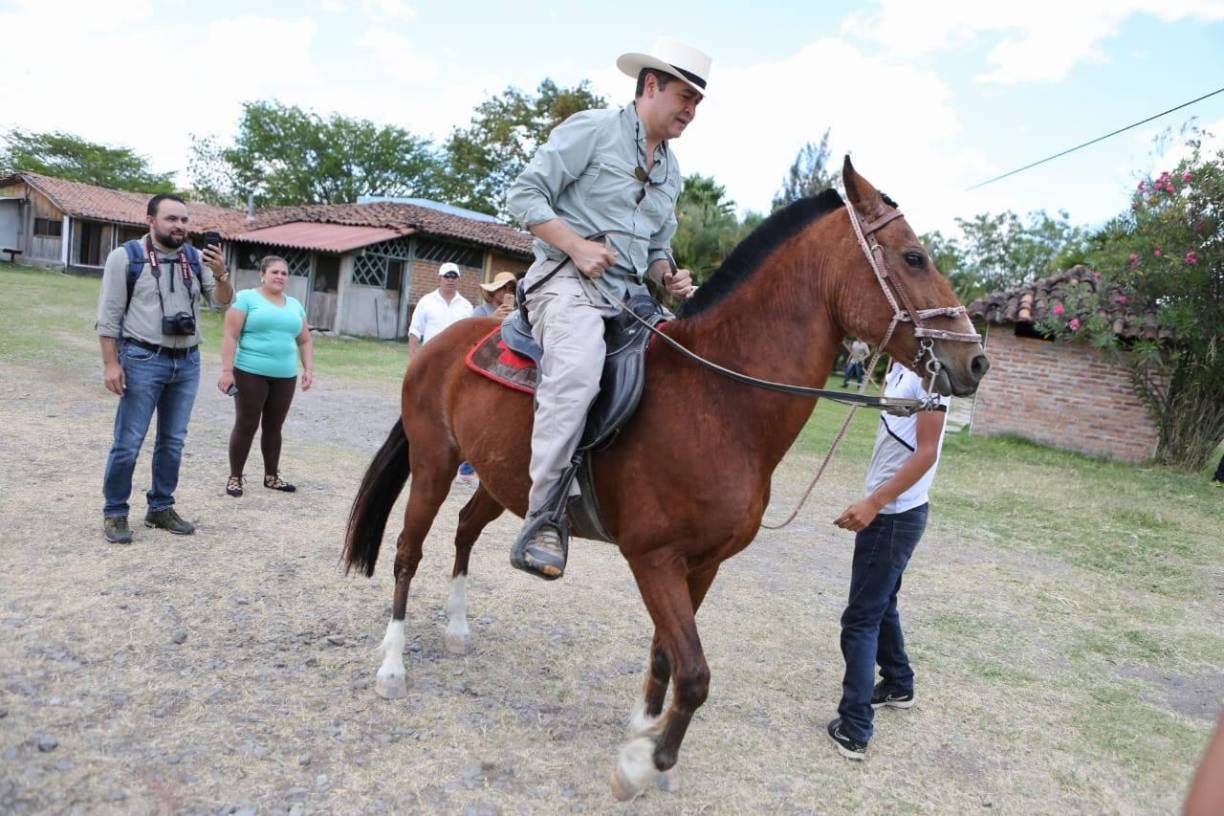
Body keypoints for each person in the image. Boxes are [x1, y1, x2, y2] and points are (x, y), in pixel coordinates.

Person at [503, 36, 707, 580]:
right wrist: (575, 244)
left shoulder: (672, 169)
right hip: (563, 282)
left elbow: (658, 246)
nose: (690, 110)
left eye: (698, 102)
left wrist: (669, 274)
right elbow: (523, 196)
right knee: (577, 371)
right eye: (684, 95)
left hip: (630, 297)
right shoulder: (591, 130)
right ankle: (543, 516)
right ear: (649, 86)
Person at [826, 360, 949, 761]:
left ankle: (855, 728)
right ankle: (898, 683)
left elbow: (927, 452)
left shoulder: (931, 374)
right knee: (883, 603)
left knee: (860, 620)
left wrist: (874, 502)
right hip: (895, 513)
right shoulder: (900, 365)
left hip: (894, 515)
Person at [96, 193, 233, 543]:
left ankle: (160, 506)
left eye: (185, 220)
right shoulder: (125, 258)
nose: (180, 226)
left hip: (187, 361)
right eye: (172, 219)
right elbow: (109, 317)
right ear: (151, 220)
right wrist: (111, 364)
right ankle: (115, 512)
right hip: (142, 358)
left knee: (173, 442)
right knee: (128, 441)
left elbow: (222, 303)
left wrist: (220, 274)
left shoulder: (193, 257)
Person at [217, 256, 314, 497]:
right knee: (247, 424)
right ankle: (235, 478)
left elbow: (305, 339)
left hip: (285, 376)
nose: (280, 276)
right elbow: (230, 336)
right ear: (262, 274)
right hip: (250, 372)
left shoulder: (294, 305)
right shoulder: (245, 298)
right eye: (275, 272)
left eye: (284, 273)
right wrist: (227, 371)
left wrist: (308, 369)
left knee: (274, 426)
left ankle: (272, 476)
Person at [406, 262, 473, 355]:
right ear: (439, 279)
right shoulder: (426, 301)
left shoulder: (466, 306)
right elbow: (415, 331)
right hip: (430, 357)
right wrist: (412, 358)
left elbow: (470, 336)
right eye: (447, 276)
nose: (450, 279)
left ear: (459, 280)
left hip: (455, 359)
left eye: (454, 276)